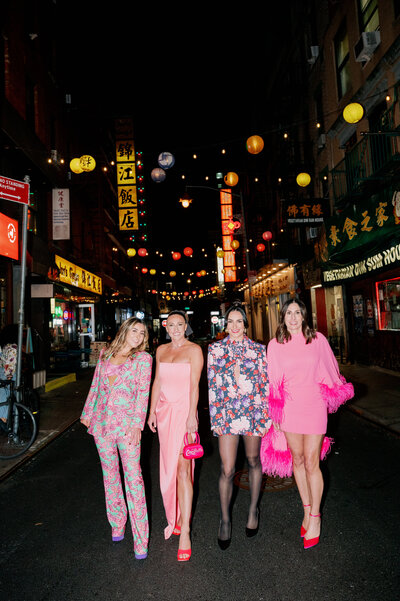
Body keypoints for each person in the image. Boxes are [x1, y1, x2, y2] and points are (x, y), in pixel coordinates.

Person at [260, 298, 354, 549]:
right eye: (288, 313)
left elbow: (331, 369)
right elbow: (273, 381)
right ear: (283, 317)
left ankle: (315, 518)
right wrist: (275, 414)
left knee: (313, 462)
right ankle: (306, 508)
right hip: (289, 409)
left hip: (314, 407)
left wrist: (335, 389)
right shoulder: (275, 344)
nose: (292, 318)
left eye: (297, 313)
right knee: (297, 460)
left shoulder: (317, 340)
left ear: (304, 316)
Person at [80, 318, 152, 560]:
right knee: (110, 476)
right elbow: (95, 386)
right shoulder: (105, 354)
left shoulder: (143, 360)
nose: (138, 335)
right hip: (102, 424)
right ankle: (117, 523)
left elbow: (143, 394)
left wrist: (136, 424)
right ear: (124, 330)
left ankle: (141, 539)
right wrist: (87, 413)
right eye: (134, 330)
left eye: (142, 333)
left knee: (134, 479)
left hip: (127, 426)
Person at [207, 302, 270, 550]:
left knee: (253, 460)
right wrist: (217, 420)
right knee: (227, 468)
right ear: (226, 324)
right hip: (227, 414)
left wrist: (265, 417)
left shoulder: (258, 350)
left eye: (239, 322)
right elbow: (212, 387)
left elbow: (264, 384)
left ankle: (253, 510)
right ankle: (225, 520)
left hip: (253, 411)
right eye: (230, 321)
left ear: (245, 325)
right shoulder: (215, 350)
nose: (234, 326)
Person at [148, 310, 203, 562]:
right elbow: (157, 382)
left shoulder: (194, 350)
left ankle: (185, 531)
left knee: (183, 469)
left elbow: (195, 385)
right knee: (168, 470)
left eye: (180, 324)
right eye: (172, 325)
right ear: (165, 327)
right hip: (164, 413)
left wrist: (192, 415)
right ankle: (177, 516)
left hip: (184, 413)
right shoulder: (160, 351)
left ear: (186, 326)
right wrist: (151, 412)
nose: (176, 328)